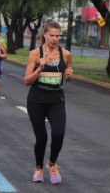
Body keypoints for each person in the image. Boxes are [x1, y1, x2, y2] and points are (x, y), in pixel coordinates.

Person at [24, 20, 73, 185]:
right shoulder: (35, 54)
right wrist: (40, 68)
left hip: (56, 100)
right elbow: (27, 81)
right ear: (44, 34)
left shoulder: (65, 54)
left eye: (58, 36)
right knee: (42, 138)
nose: (54, 39)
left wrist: (68, 75)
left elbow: (67, 74)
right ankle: (38, 168)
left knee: (59, 133)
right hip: (36, 100)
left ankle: (51, 163)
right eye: (51, 35)